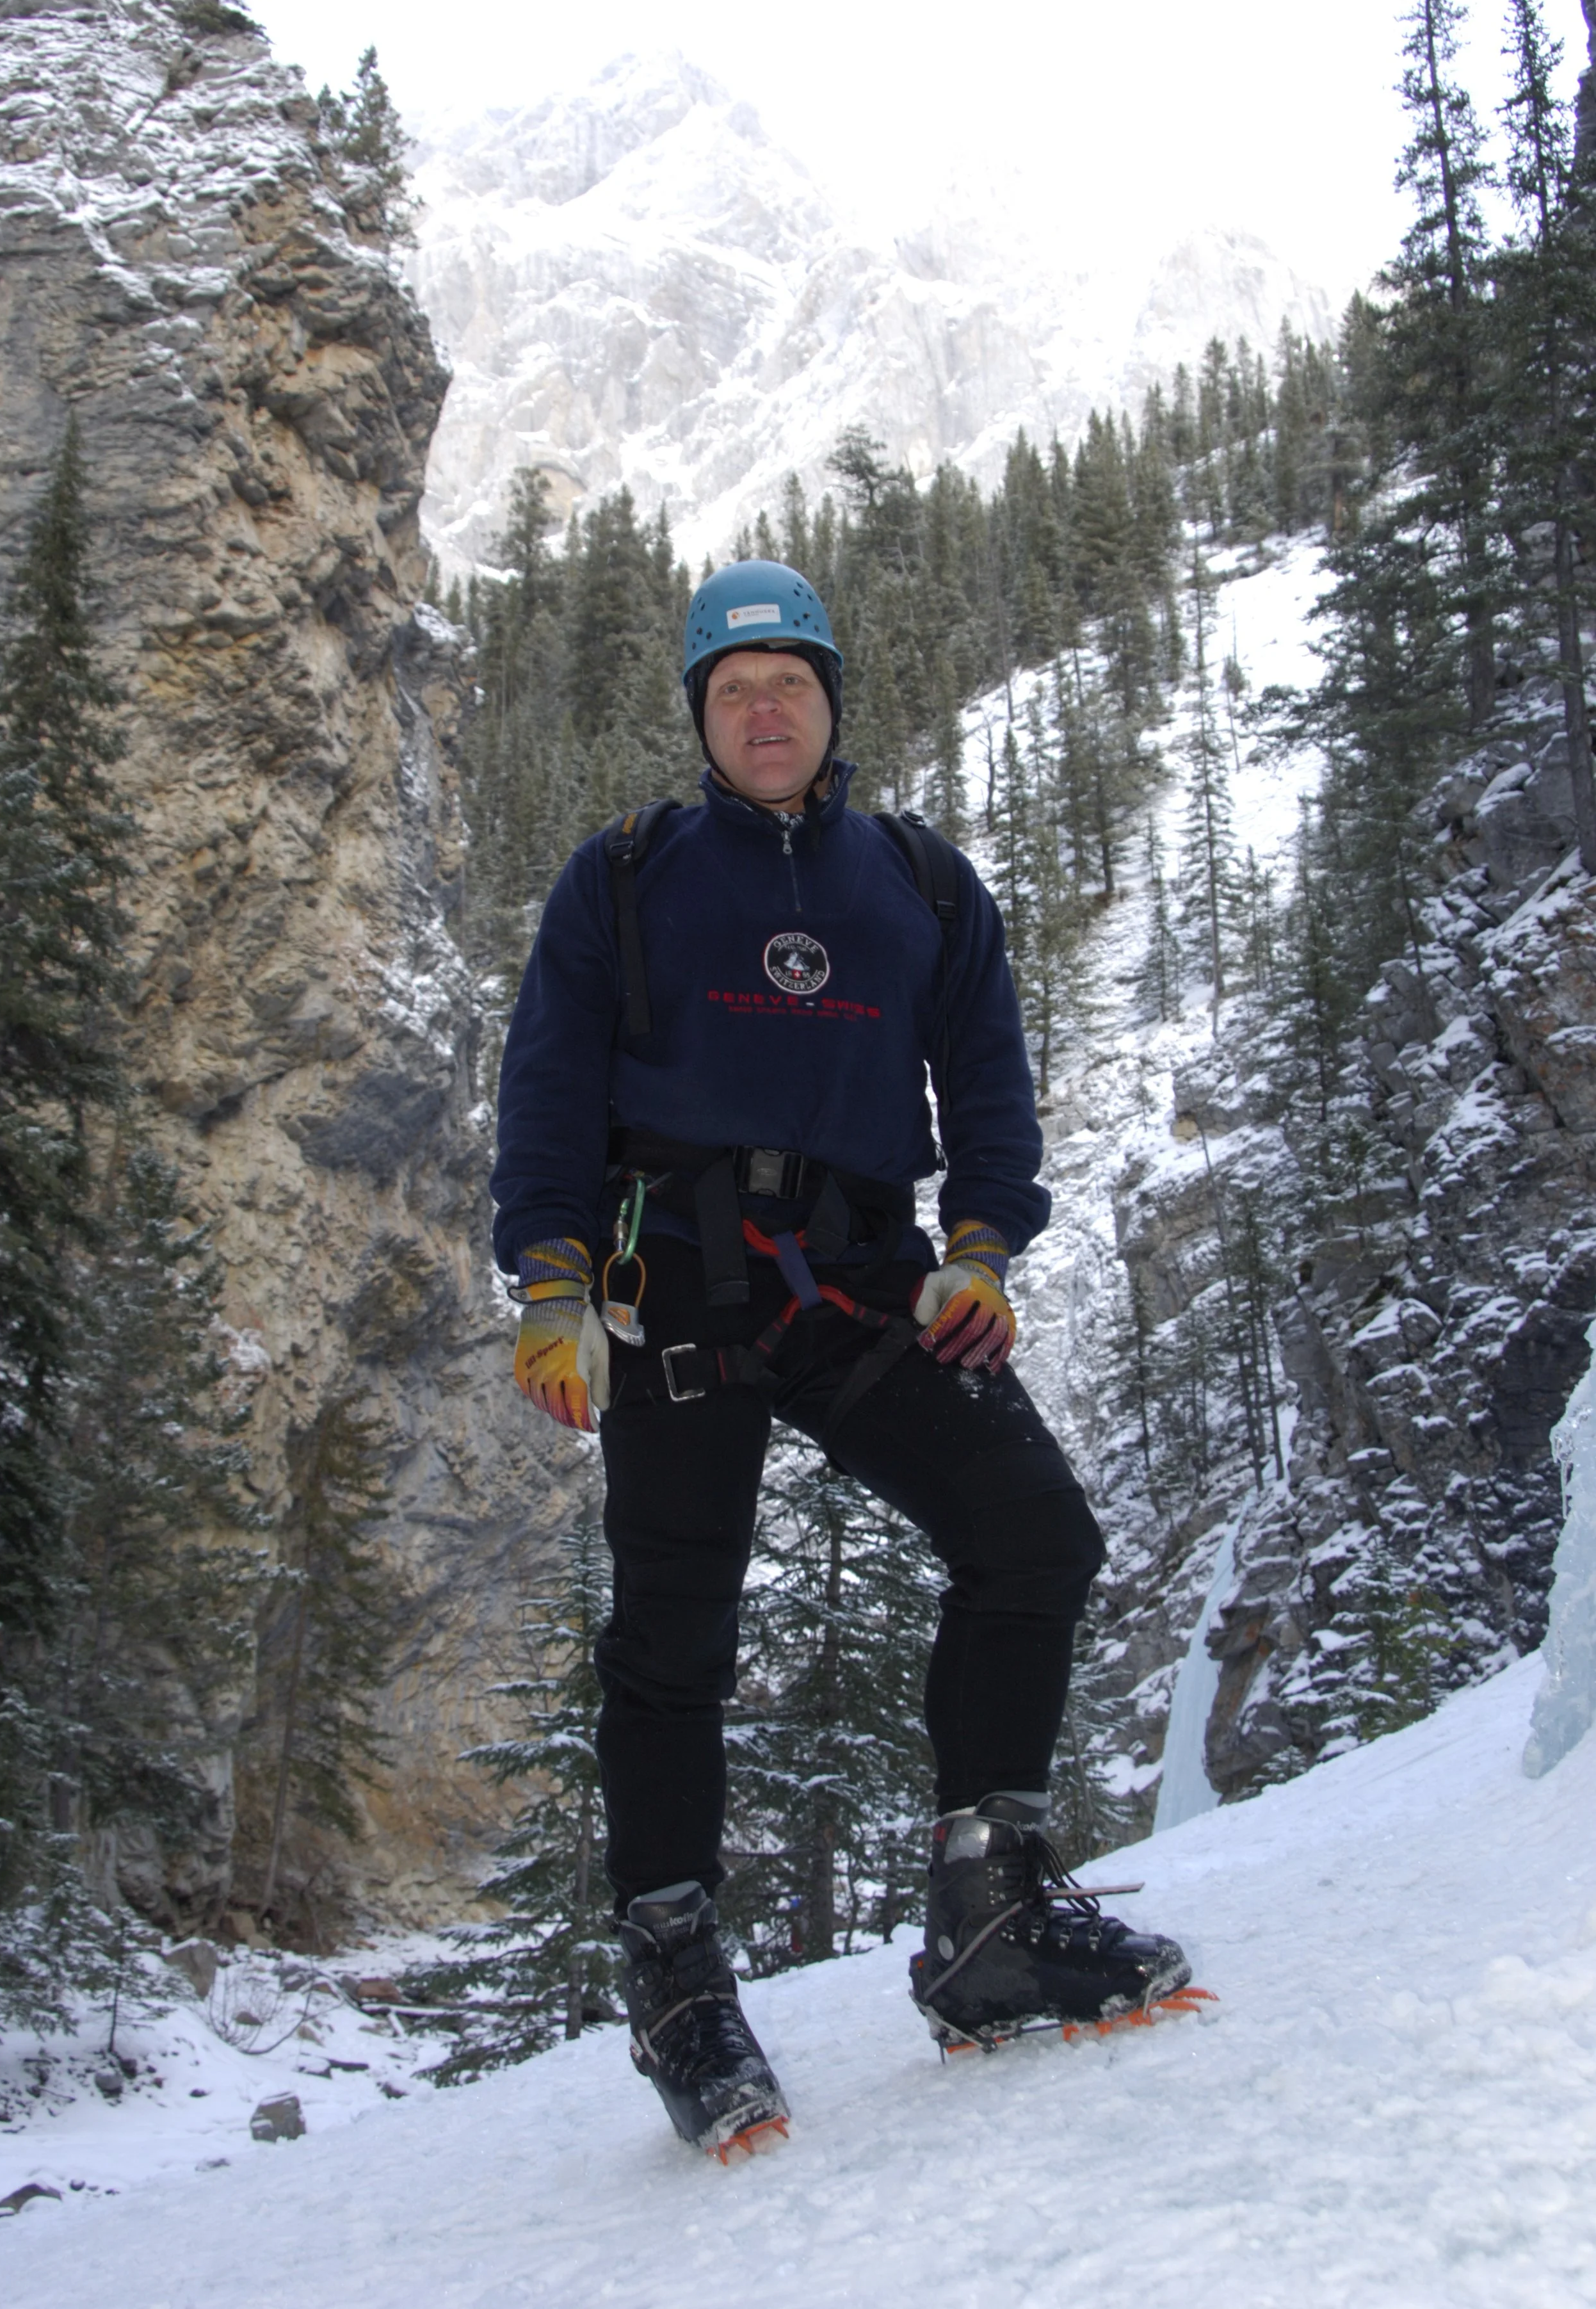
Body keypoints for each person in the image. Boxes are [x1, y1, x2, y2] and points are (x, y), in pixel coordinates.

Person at [490, 558, 1188, 2158]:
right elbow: (546, 1092)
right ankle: (676, 1976)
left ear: (828, 701)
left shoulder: (922, 886)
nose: (761, 712)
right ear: (697, 715)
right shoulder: (623, 878)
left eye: (786, 684)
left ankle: (986, 1916)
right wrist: (548, 1277)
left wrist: (983, 1247)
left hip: (863, 1281)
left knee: (1032, 1540)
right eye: (731, 691)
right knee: (674, 1632)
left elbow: (991, 1097)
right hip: (668, 1284)